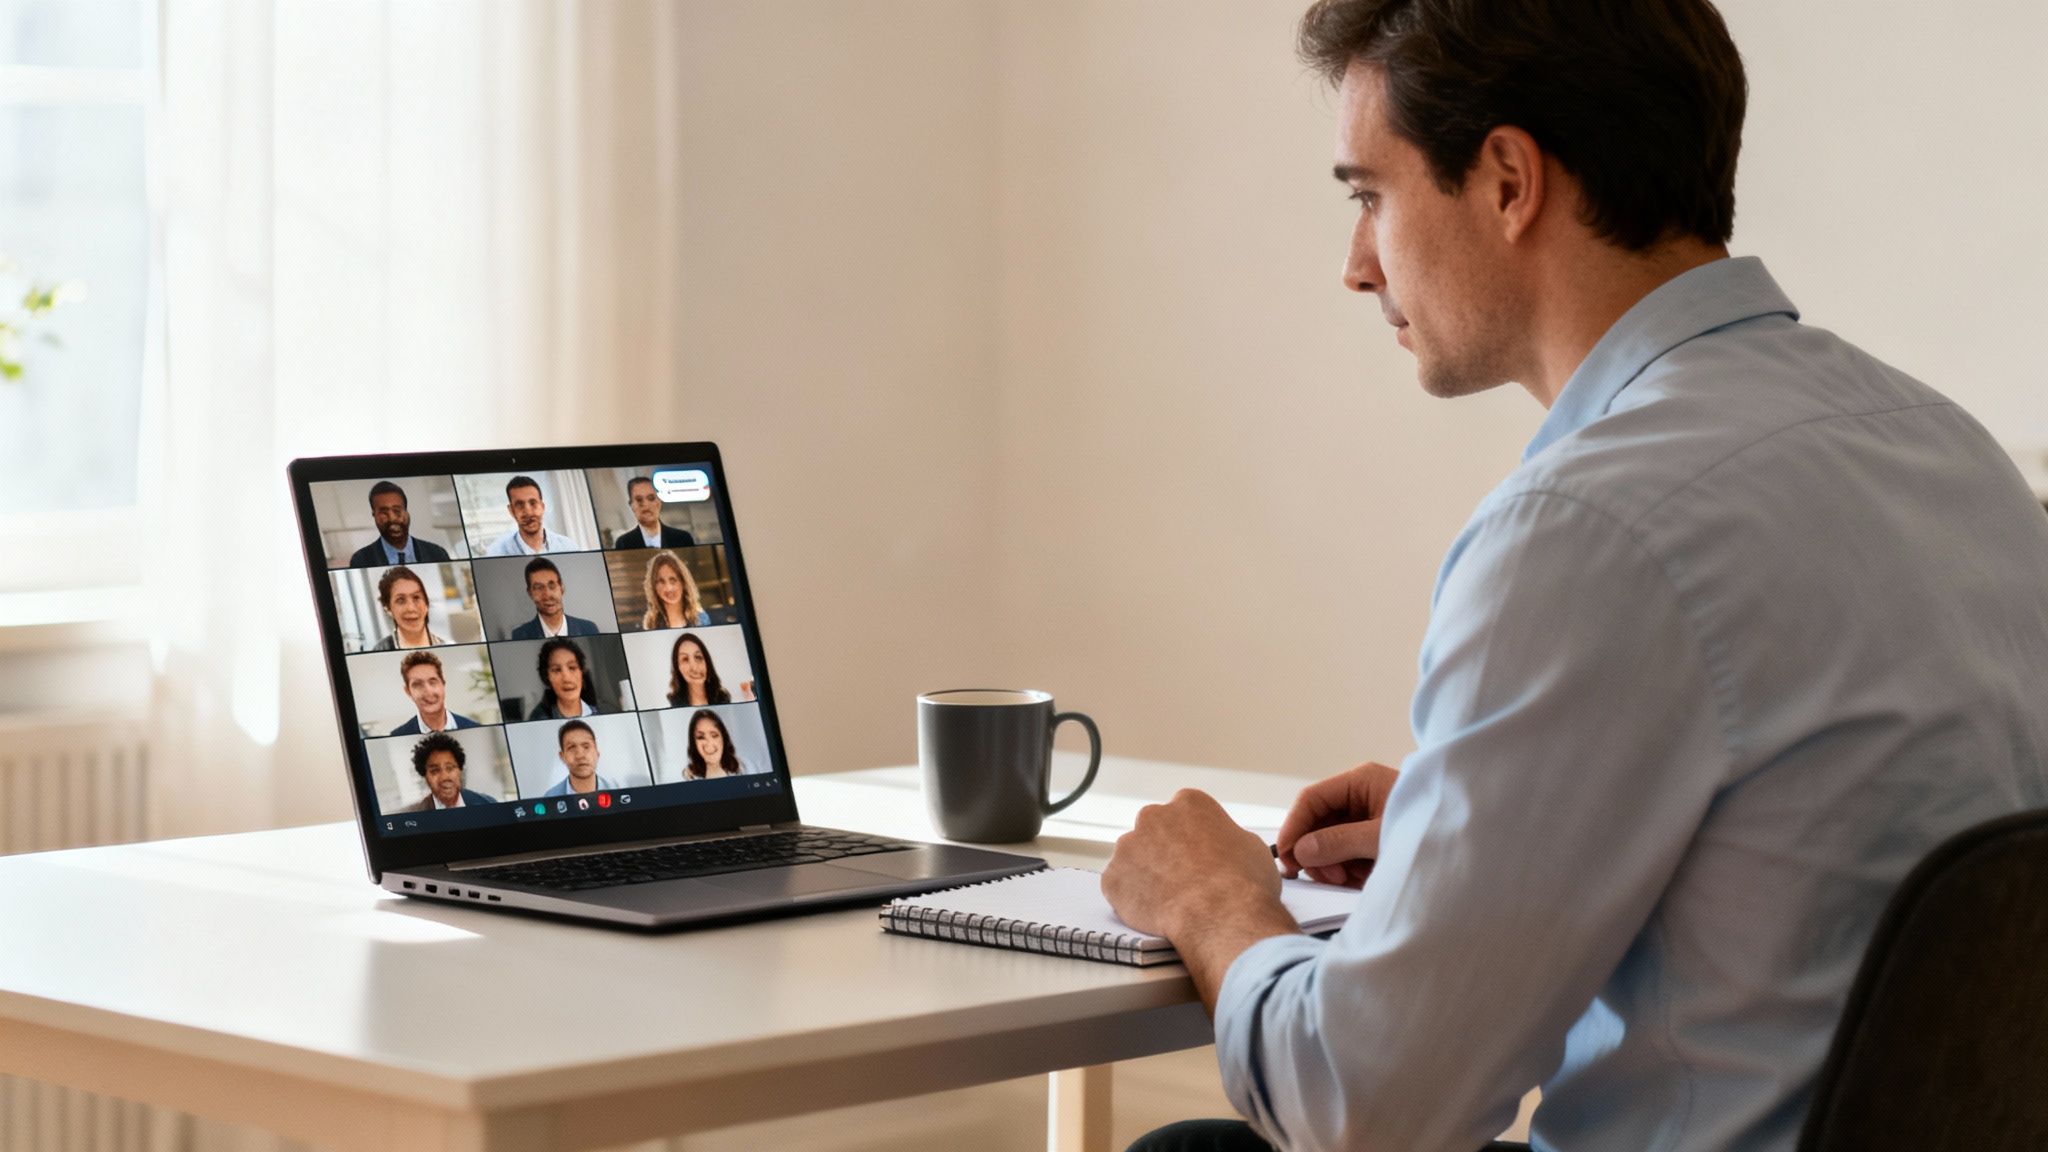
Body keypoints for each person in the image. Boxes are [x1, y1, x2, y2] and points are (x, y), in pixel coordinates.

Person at [1106, 4, 2048, 1152]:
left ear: (1507, 180)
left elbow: (1370, 1111)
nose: (1356, 267)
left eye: (1368, 196)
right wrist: (1488, 840)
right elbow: (1857, 853)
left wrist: (1215, 907)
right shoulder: (1947, 451)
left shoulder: (1587, 527)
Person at [348, 480, 453, 567]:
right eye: (384, 512)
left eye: (397, 510)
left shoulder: (437, 553)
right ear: (374, 515)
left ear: (406, 512)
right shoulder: (361, 560)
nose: (392, 518)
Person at [389, 651, 482, 736]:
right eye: (417, 684)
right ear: (408, 692)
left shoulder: (475, 729)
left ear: (443, 683)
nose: (428, 691)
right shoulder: (398, 735)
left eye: (432, 682)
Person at [484, 475, 581, 556]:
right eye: (520, 505)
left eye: (533, 503)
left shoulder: (569, 547)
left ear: (542, 507)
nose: (528, 512)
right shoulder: (495, 553)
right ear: (512, 511)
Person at [399, 731, 495, 811]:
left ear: (460, 770)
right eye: (435, 771)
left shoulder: (488, 803)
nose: (445, 777)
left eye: (450, 768)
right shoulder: (413, 814)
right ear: (425, 776)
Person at [508, 557, 600, 640]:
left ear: (562, 588)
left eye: (552, 586)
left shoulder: (589, 629)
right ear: (530, 593)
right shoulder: (519, 635)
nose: (547, 595)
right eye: (539, 588)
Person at [368, 565, 448, 650]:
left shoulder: (445, 646)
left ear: (426, 604)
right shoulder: (380, 650)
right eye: (400, 600)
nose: (411, 608)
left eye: (416, 597)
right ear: (387, 608)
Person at [664, 632, 754, 707]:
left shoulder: (723, 698)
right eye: (685, 659)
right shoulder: (673, 704)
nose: (694, 667)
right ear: (677, 667)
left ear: (707, 662)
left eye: (698, 657)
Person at [529, 637, 605, 720]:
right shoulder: (538, 718)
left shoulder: (599, 713)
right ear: (547, 678)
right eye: (557, 670)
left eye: (572, 667)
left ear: (581, 673)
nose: (567, 678)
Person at [613, 475, 697, 549]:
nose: (646, 504)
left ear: (659, 502)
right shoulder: (623, 543)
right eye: (639, 500)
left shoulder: (682, 538)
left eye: (651, 498)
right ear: (631, 505)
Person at [640, 550, 712, 630]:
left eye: (673, 580)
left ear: (683, 582)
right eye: (661, 582)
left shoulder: (701, 619)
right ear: (654, 587)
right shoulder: (651, 624)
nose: (668, 588)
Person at [544, 720, 619, 795]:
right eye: (571, 747)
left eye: (586, 747)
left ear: (597, 753)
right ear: (562, 756)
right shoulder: (550, 798)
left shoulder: (616, 791)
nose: (580, 755)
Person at [682, 709, 758, 780]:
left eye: (714, 735)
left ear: (724, 738)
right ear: (693, 743)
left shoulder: (747, 767)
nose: (709, 742)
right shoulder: (687, 777)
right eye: (701, 737)